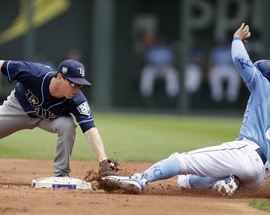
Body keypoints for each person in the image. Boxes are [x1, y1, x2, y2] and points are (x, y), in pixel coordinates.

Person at [100, 23, 270, 196]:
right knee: (185, 181)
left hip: (247, 153)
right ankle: (225, 181)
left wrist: (236, 39)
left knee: (180, 160)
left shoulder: (263, 84)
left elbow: (240, 60)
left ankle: (140, 179)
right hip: (259, 177)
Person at [0, 59, 117, 177]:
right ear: (59, 77)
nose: (77, 88)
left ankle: (62, 174)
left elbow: (90, 129)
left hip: (50, 119)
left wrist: (103, 160)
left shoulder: (78, 99)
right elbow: (0, 65)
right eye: (74, 83)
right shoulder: (34, 72)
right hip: (18, 108)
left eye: (80, 85)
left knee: (67, 125)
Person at [139, 30, 179, 99]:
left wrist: (166, 65)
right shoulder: (151, 48)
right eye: (158, 38)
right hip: (153, 67)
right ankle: (146, 95)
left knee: (172, 73)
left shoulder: (167, 48)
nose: (160, 40)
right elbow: (146, 59)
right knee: (146, 71)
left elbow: (172, 60)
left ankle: (172, 95)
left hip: (165, 67)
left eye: (161, 39)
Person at [208, 38, 241, 102]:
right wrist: (209, 69)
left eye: (225, 42)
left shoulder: (232, 49)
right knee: (213, 74)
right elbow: (211, 61)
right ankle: (217, 97)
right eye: (222, 42)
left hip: (229, 67)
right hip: (218, 67)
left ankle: (231, 97)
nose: (224, 43)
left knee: (235, 75)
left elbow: (236, 61)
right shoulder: (216, 49)